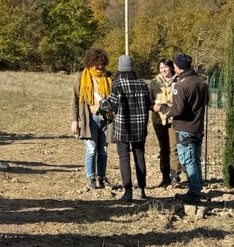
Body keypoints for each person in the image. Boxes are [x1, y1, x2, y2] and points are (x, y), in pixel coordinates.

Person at [98, 55, 154, 202]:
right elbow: (150, 104)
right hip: (140, 128)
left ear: (120, 68)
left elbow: (110, 105)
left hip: (122, 128)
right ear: (132, 67)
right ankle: (142, 190)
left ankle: (128, 191)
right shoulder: (142, 83)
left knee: (124, 159)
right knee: (139, 158)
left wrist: (100, 100)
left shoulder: (118, 84)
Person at [165, 53, 209, 202]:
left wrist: (164, 109)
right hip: (198, 127)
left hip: (185, 128)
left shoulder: (181, 85)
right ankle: (197, 186)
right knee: (195, 159)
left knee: (188, 160)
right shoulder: (202, 82)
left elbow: (178, 110)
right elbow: (206, 101)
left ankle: (194, 192)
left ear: (178, 67)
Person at [71, 47, 113, 190]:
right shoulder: (81, 78)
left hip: (106, 119)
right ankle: (91, 177)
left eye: (102, 64)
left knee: (103, 150)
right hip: (89, 119)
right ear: (90, 63)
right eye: (97, 63)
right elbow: (75, 100)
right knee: (91, 149)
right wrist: (74, 121)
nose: (100, 67)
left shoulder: (109, 77)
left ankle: (102, 177)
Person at [149, 59, 181, 187]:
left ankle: (175, 176)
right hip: (158, 119)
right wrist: (154, 107)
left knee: (174, 148)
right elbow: (149, 100)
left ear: (171, 68)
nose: (164, 70)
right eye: (161, 68)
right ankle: (164, 176)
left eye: (166, 67)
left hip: (174, 119)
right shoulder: (154, 82)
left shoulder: (178, 81)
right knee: (163, 148)